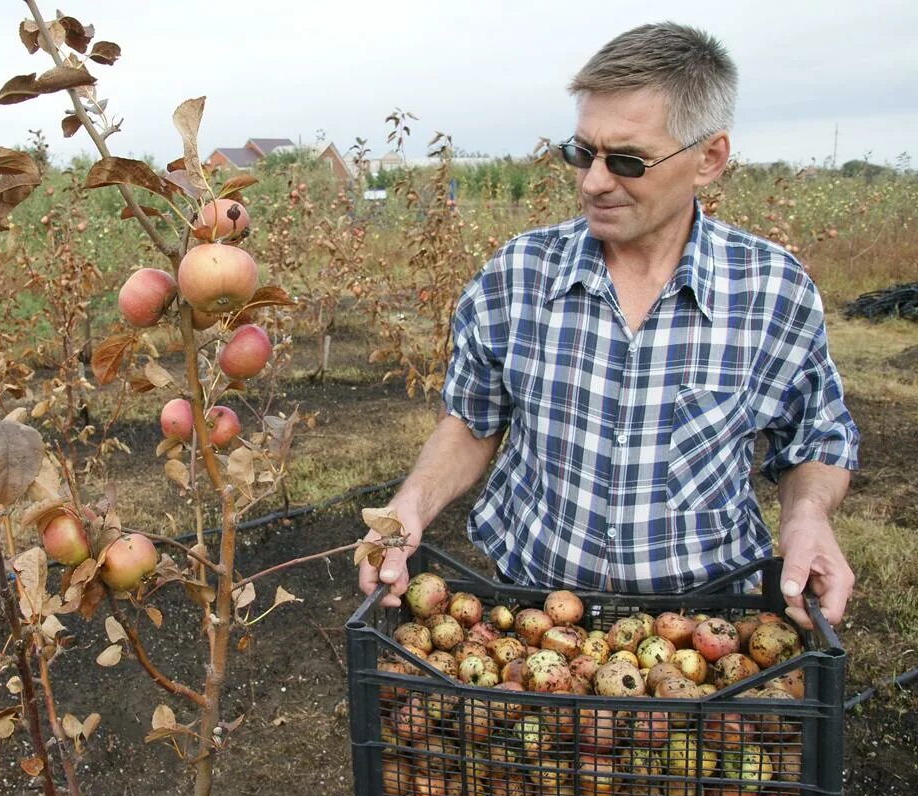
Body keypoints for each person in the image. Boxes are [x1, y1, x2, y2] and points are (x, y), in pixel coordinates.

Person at [358, 22, 858, 630]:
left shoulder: (769, 290)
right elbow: (471, 419)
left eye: (628, 160)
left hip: (704, 629)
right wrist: (410, 505)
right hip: (529, 620)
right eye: (581, 152)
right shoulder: (520, 274)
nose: (595, 181)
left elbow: (816, 440)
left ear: (709, 158)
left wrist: (807, 519)